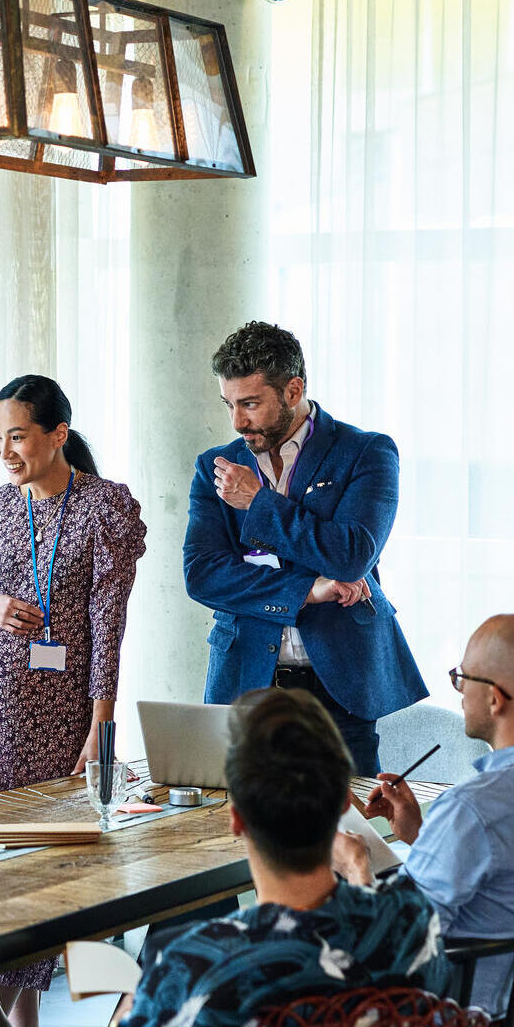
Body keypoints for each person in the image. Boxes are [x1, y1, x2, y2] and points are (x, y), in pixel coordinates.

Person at [4, 688, 447, 1027]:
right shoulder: (414, 919)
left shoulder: (197, 962)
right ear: (344, 803)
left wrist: (126, 1015)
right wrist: (357, 873)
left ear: (236, 820)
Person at [0, 373, 147, 1027]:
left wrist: (101, 725)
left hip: (63, 715)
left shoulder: (105, 509)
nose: (5, 451)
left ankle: (114, 1017)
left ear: (57, 433)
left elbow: (106, 624)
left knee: (58, 871)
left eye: (18, 436)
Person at [183, 321, 426, 774]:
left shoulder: (366, 452)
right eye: (229, 404)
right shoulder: (215, 467)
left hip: (340, 688)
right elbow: (203, 574)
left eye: (250, 404)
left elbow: (352, 553)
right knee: (233, 831)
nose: (238, 421)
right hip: (246, 680)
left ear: (293, 390)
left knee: (345, 830)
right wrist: (307, 589)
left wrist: (258, 503)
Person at [363, 613, 514, 1014]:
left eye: (463, 677)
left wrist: (352, 862)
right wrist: (423, 835)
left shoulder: (472, 809)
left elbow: (390, 941)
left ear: (495, 697)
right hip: (498, 1026)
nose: (459, 692)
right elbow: (502, 893)